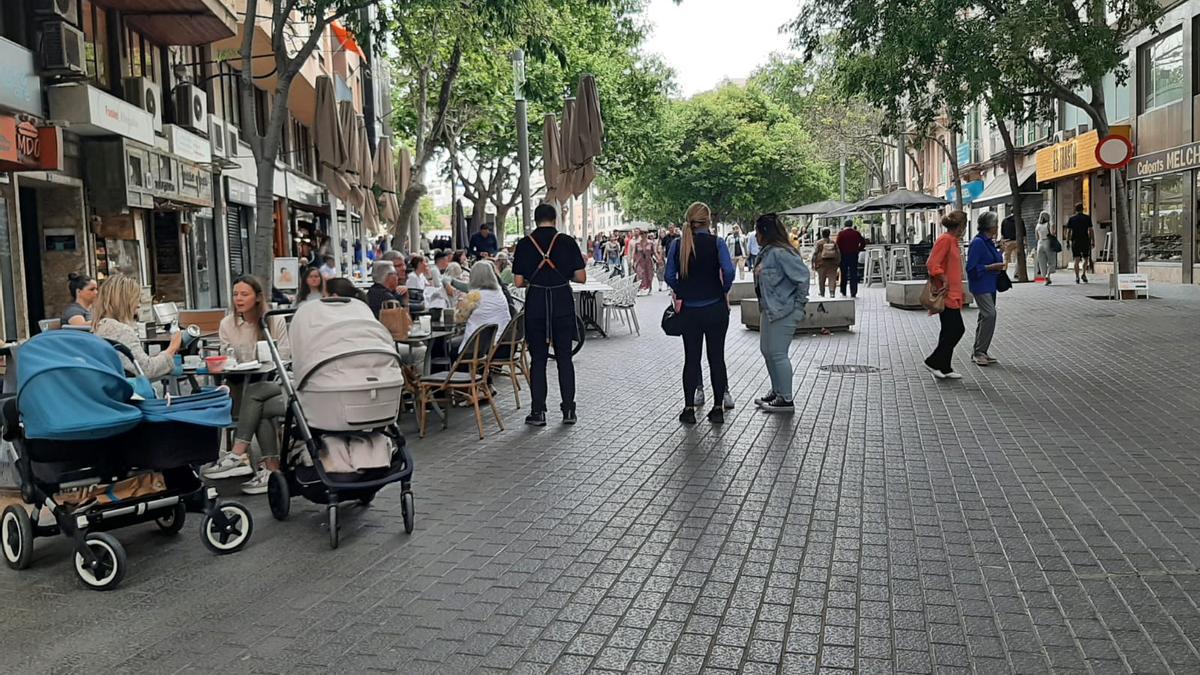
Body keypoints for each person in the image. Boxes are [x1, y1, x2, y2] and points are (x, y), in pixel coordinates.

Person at [204, 275, 291, 494]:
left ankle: (238, 454)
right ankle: (272, 470)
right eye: (235, 294)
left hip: (272, 382)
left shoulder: (273, 320)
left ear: (258, 297)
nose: (239, 299)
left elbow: (286, 356)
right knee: (260, 408)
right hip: (238, 385)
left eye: (244, 294)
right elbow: (226, 355)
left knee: (256, 394)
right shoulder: (227, 323)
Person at [513, 204, 586, 426]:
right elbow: (581, 277)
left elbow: (517, 281)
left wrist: (534, 278)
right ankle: (568, 411)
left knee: (538, 360)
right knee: (565, 358)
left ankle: (538, 412)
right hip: (561, 302)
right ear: (555, 219)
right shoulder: (567, 242)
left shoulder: (525, 244)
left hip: (536, 304)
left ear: (535, 220)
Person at [666, 202, 735, 425]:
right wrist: (722, 289)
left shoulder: (678, 244)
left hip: (690, 311)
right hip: (715, 307)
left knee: (691, 359)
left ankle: (688, 408)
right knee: (717, 358)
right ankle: (717, 408)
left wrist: (682, 288)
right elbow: (729, 270)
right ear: (708, 221)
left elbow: (668, 275)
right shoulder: (718, 243)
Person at [752, 214, 809, 413]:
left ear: (765, 233)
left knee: (777, 353)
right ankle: (778, 391)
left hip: (783, 309)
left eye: (758, 231)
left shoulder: (781, 253)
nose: (756, 236)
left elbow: (803, 278)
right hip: (771, 309)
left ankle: (786, 398)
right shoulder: (768, 253)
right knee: (768, 351)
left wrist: (799, 307)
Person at [91, 274, 181, 379]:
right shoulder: (121, 331)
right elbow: (146, 370)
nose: (139, 305)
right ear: (124, 301)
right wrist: (173, 347)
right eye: (136, 300)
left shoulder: (100, 326)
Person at [924, 211, 968, 381]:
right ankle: (934, 361)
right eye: (964, 224)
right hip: (946, 292)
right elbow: (932, 263)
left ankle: (945, 365)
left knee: (949, 329)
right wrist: (943, 278)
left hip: (954, 292)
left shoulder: (953, 241)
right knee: (956, 329)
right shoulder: (945, 240)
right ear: (961, 226)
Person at [966, 212, 1007, 367]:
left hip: (990, 284)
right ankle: (979, 351)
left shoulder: (989, 242)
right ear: (990, 227)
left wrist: (1001, 251)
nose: (997, 227)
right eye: (996, 225)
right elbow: (971, 268)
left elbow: (995, 259)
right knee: (990, 314)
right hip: (981, 284)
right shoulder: (978, 243)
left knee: (984, 316)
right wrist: (990, 267)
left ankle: (980, 350)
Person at [453, 261, 512, 353]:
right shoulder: (499, 293)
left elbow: (459, 318)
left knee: (450, 345)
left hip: (481, 348)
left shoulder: (474, 296)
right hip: (503, 343)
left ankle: (454, 367)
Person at [835, 220, 867, 297]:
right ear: (851, 224)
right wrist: (858, 249)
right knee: (853, 273)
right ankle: (853, 291)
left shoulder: (841, 233)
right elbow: (863, 242)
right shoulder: (856, 233)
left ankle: (843, 291)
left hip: (844, 256)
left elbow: (837, 245)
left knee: (844, 273)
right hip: (854, 255)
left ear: (845, 225)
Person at [1065, 203, 1093, 283]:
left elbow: (1068, 231)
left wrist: (1067, 241)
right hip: (1085, 240)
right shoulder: (1087, 218)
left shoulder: (1072, 219)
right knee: (1086, 258)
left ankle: (1077, 277)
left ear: (1075, 209)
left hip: (1075, 241)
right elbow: (1090, 230)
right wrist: (1092, 240)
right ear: (1082, 209)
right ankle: (1083, 273)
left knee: (1076, 260)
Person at [810, 227, 841, 298]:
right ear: (829, 234)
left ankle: (822, 293)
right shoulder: (833, 242)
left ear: (822, 234)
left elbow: (815, 253)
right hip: (832, 263)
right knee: (832, 278)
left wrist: (813, 263)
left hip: (821, 263)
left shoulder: (819, 243)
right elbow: (838, 252)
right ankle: (832, 292)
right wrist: (838, 262)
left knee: (821, 279)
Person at [632, 229, 659, 295]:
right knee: (640, 274)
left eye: (645, 233)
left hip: (648, 261)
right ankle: (641, 288)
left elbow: (654, 252)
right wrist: (633, 261)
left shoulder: (651, 243)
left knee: (649, 275)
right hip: (639, 261)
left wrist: (659, 259)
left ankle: (649, 288)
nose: (643, 235)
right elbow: (634, 253)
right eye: (642, 233)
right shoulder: (637, 243)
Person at [1035, 211, 1055, 285]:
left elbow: (1036, 237)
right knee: (1051, 261)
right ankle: (1048, 275)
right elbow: (1052, 233)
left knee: (1042, 262)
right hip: (1048, 242)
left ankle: (1045, 279)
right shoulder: (1049, 224)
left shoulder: (1037, 226)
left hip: (1040, 244)